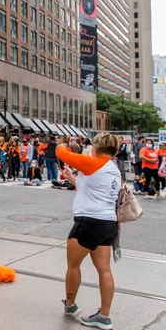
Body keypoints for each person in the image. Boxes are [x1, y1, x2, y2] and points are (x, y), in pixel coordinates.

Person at [57, 132, 121, 330]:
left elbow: (62, 153)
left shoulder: (94, 162)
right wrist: (72, 178)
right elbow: (93, 189)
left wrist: (61, 143)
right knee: (105, 270)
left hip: (88, 221)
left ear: (97, 148)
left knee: (73, 266)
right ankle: (104, 316)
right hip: (108, 222)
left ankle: (70, 305)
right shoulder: (113, 169)